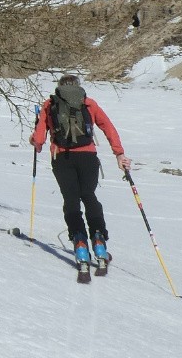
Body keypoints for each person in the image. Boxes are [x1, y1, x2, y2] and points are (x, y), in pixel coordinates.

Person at [30, 74, 132, 266]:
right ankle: (99, 241)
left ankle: (80, 244)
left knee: (71, 200)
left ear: (59, 87)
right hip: (88, 157)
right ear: (78, 86)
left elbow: (39, 141)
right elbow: (108, 127)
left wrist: (35, 139)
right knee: (88, 196)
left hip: (62, 158)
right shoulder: (88, 103)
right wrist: (119, 154)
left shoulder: (49, 104)